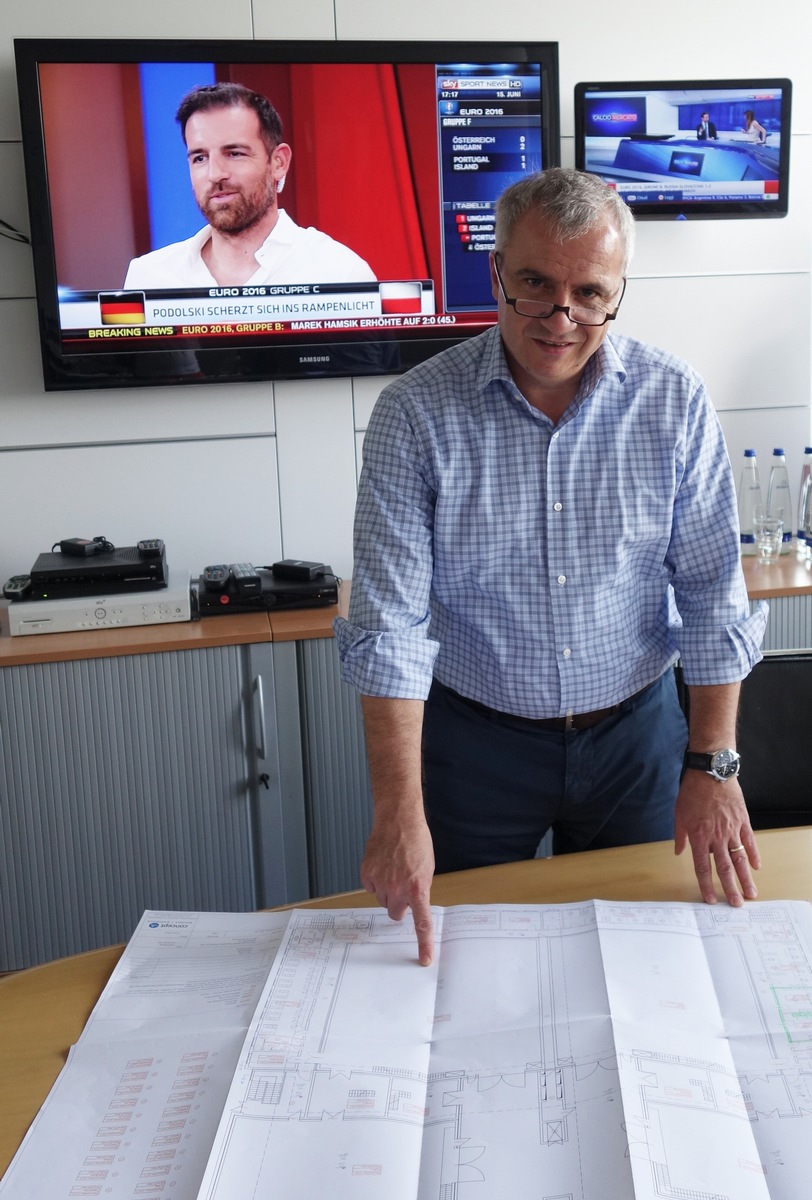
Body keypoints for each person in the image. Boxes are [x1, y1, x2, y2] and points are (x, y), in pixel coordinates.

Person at [335, 168, 767, 967]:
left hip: (636, 739)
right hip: (475, 749)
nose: (561, 318)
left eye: (590, 293)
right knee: (461, 966)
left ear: (617, 291)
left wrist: (713, 762)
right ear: (495, 271)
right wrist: (398, 810)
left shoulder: (674, 401)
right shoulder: (415, 414)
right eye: (534, 283)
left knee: (647, 963)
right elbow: (390, 626)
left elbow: (712, 591)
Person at [124, 82, 376, 289]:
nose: (215, 174)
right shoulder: (148, 278)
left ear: (278, 162)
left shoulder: (340, 274)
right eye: (200, 158)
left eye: (234, 153)